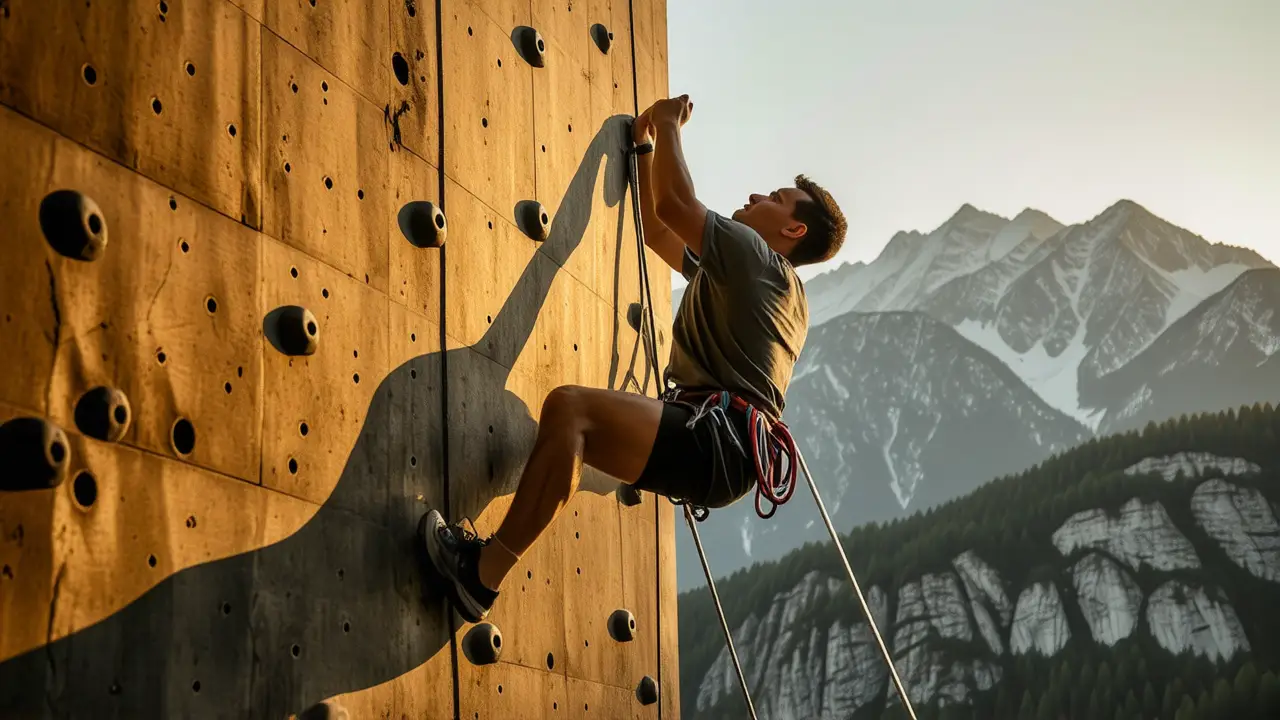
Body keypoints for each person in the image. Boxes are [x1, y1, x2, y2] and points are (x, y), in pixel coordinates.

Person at [418, 94, 848, 623]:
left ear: (793, 230)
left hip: (712, 438)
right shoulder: (762, 283)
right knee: (572, 428)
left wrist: (668, 126)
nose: (758, 193)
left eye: (776, 197)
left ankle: (481, 576)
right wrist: (642, 147)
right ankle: (482, 573)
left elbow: (675, 208)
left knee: (572, 412)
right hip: (722, 450)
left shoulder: (756, 258)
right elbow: (659, 231)